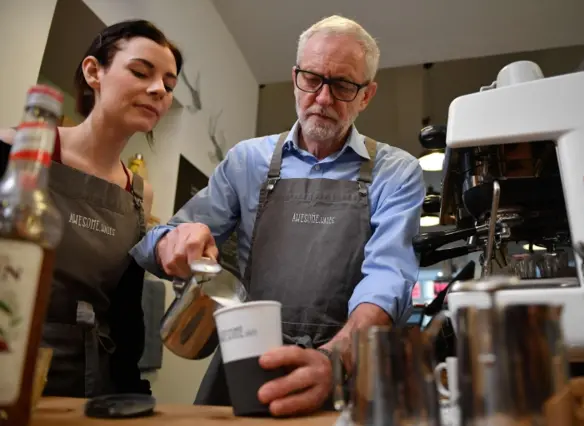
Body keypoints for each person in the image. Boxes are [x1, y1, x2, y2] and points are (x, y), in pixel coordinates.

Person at [131, 15, 425, 416]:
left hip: (341, 367)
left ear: (367, 95)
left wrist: (336, 359)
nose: (322, 99)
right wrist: (172, 242)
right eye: (312, 79)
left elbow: (388, 275)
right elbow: (156, 240)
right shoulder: (246, 161)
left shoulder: (397, 171)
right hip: (245, 361)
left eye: (342, 85)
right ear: (295, 77)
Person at [0, 20, 182, 397]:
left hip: (90, 385)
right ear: (93, 71)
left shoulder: (139, 195)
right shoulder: (13, 150)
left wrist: (133, 392)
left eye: (169, 84)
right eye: (140, 72)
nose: (158, 90)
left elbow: (125, 312)